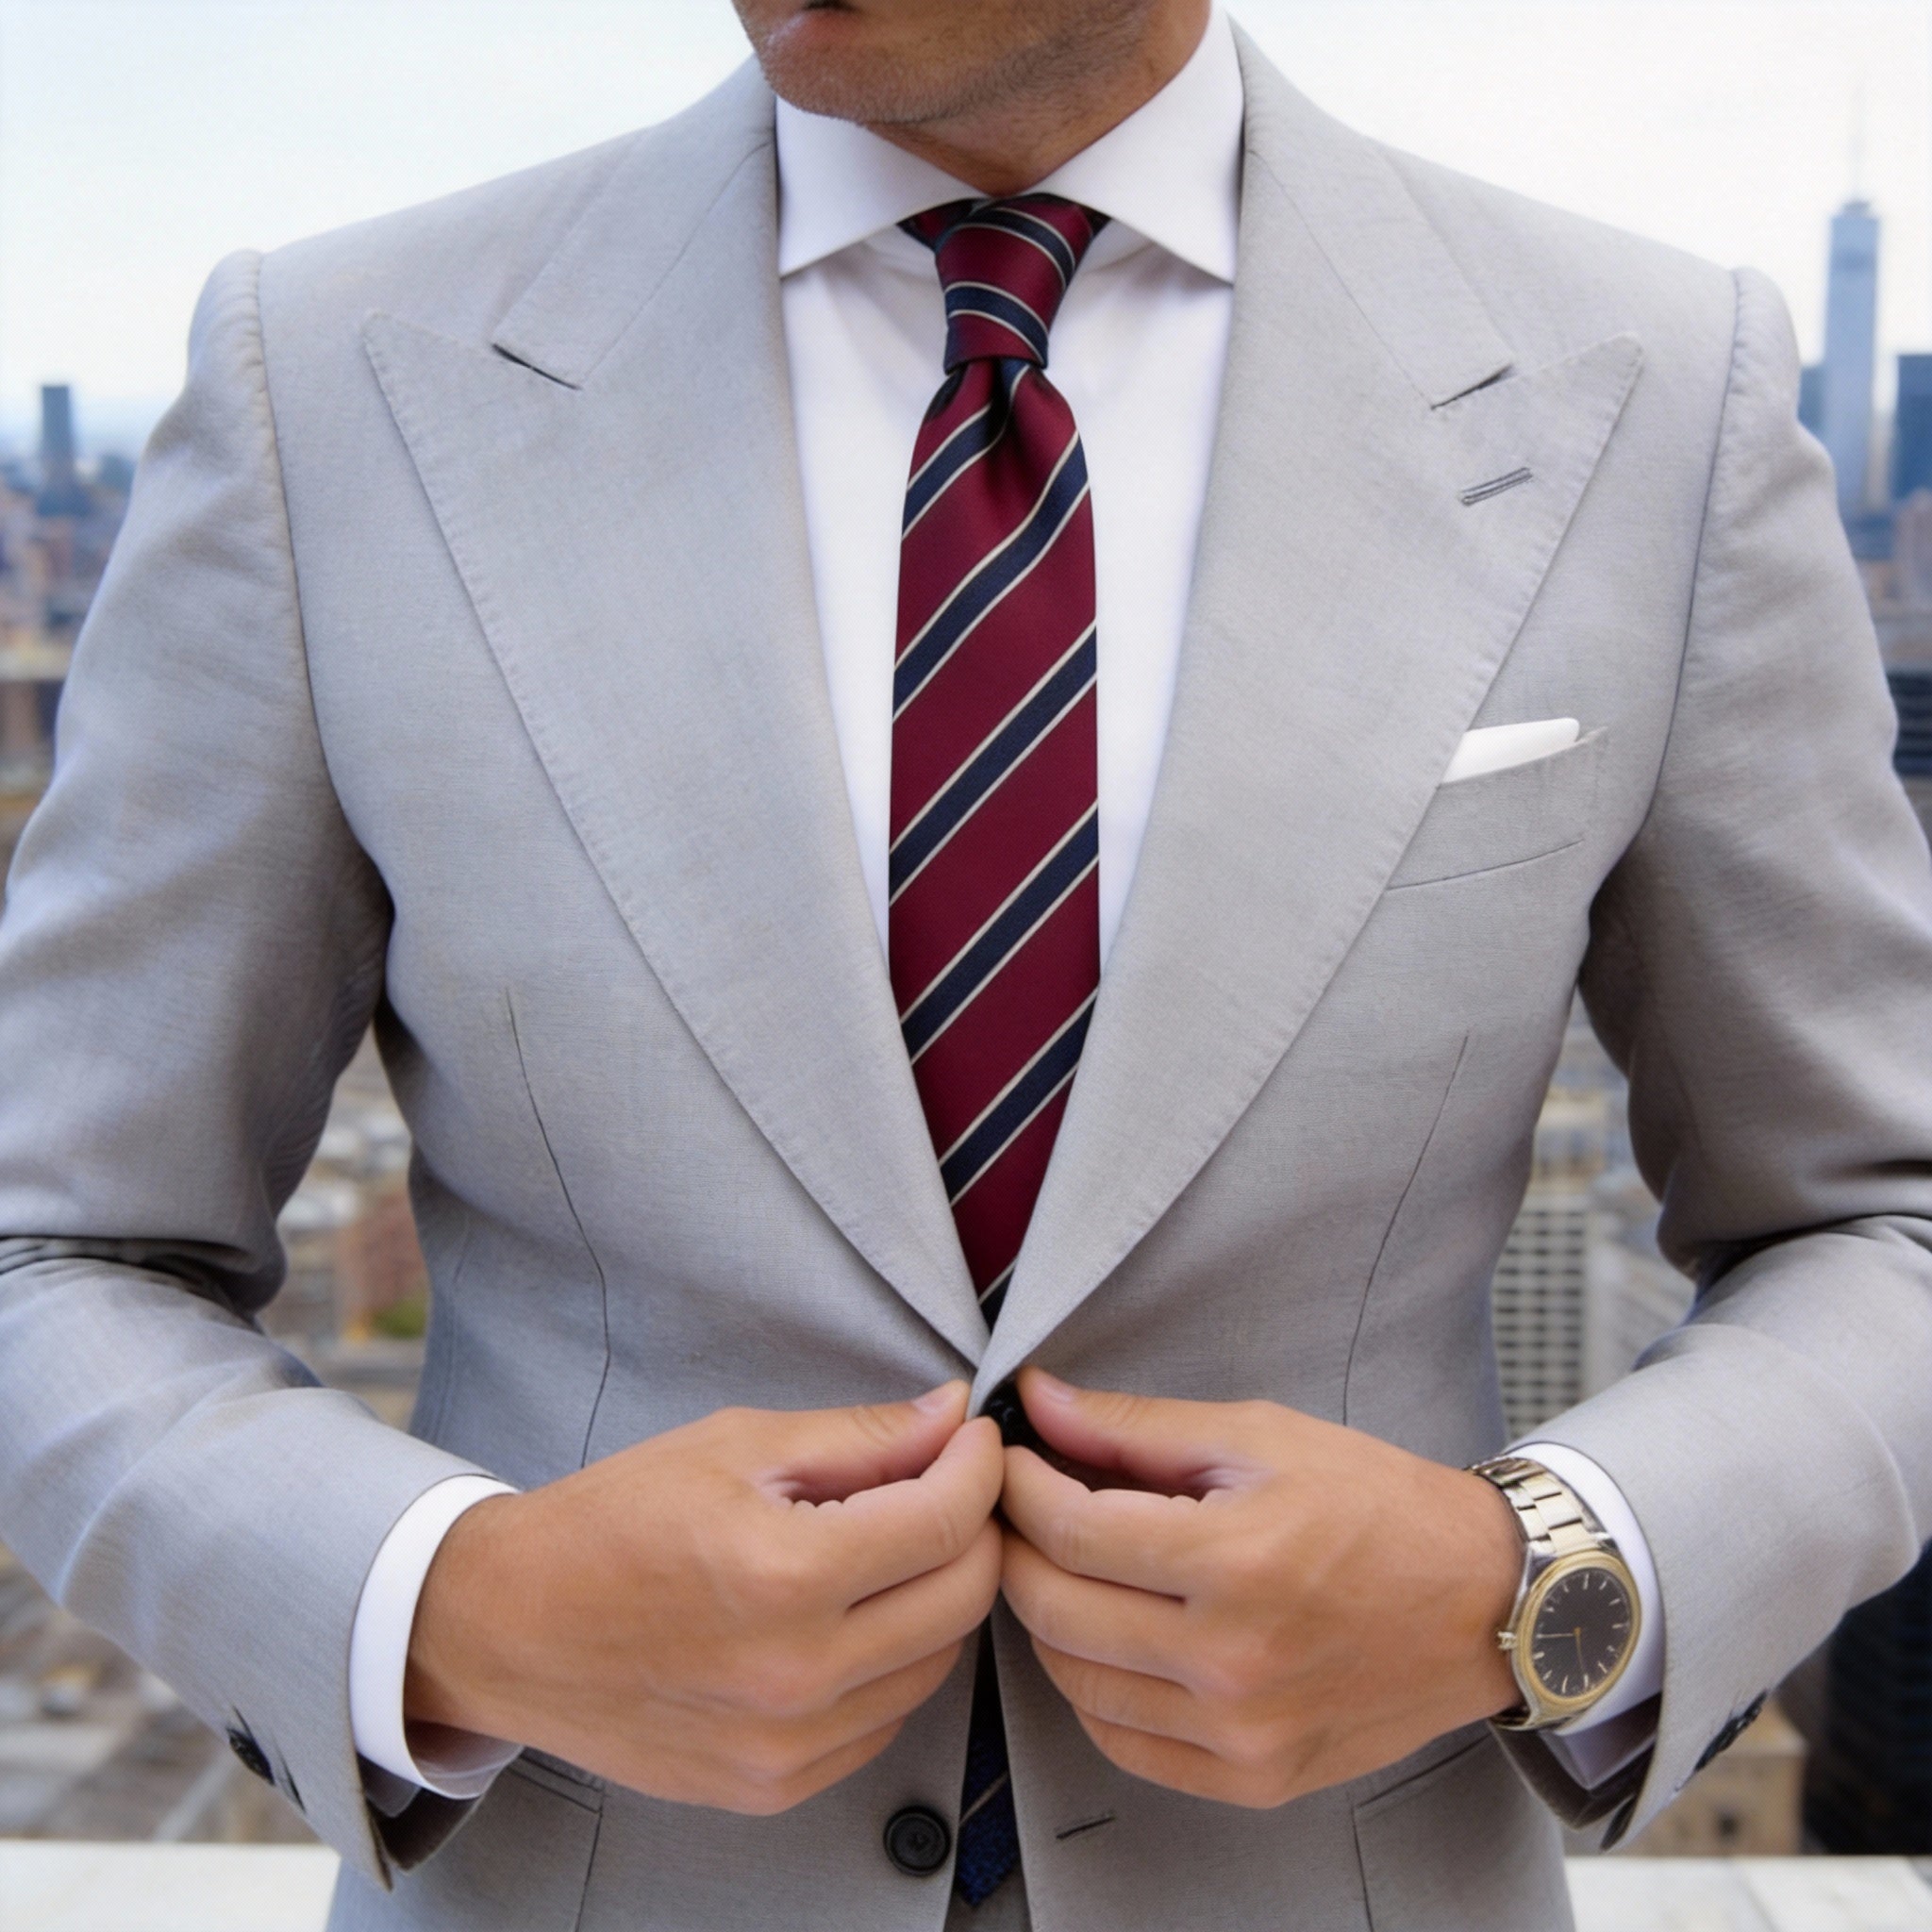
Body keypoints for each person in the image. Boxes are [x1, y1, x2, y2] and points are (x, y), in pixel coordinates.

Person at [1, 0, 1928, 1925]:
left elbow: (1879, 1220)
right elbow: (56, 1243)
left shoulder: (1654, 394)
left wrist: (1536, 1583)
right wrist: (451, 1608)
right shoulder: (326, 383)